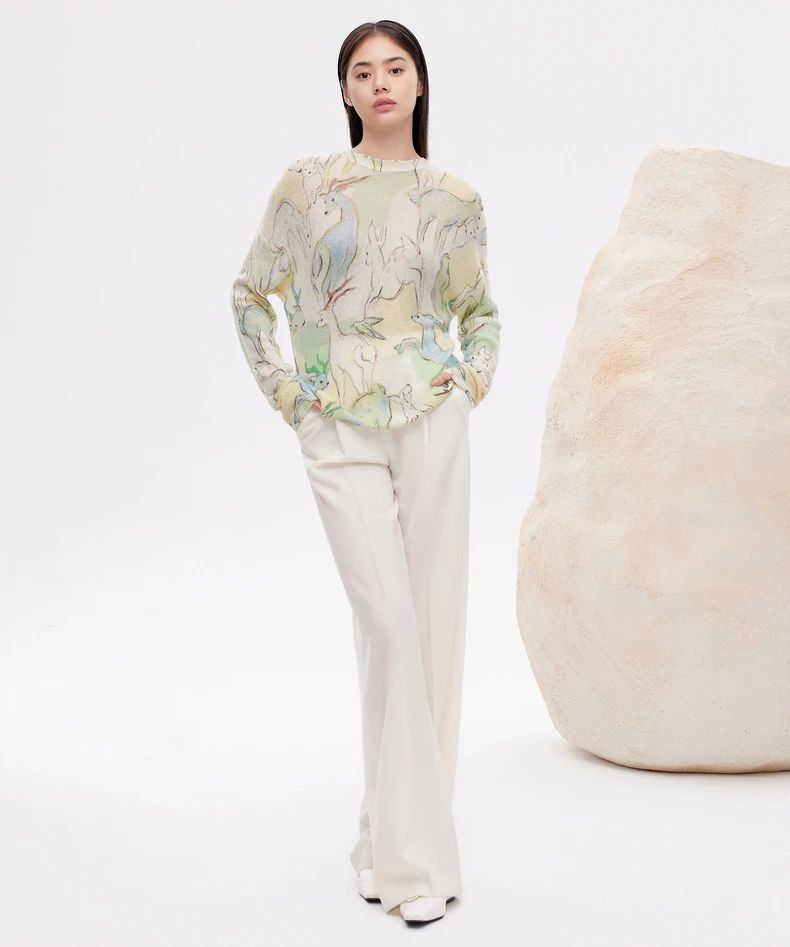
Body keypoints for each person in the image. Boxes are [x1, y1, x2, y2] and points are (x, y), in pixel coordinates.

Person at [229, 19, 501, 925]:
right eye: (362, 71)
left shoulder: (455, 199)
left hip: (432, 417)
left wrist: (471, 380)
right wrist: (288, 393)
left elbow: (479, 311)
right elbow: (250, 292)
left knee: (430, 632)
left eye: (396, 67)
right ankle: (419, 867)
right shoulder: (308, 187)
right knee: (388, 621)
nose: (380, 81)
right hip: (336, 418)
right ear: (345, 91)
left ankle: (384, 839)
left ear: (420, 84)